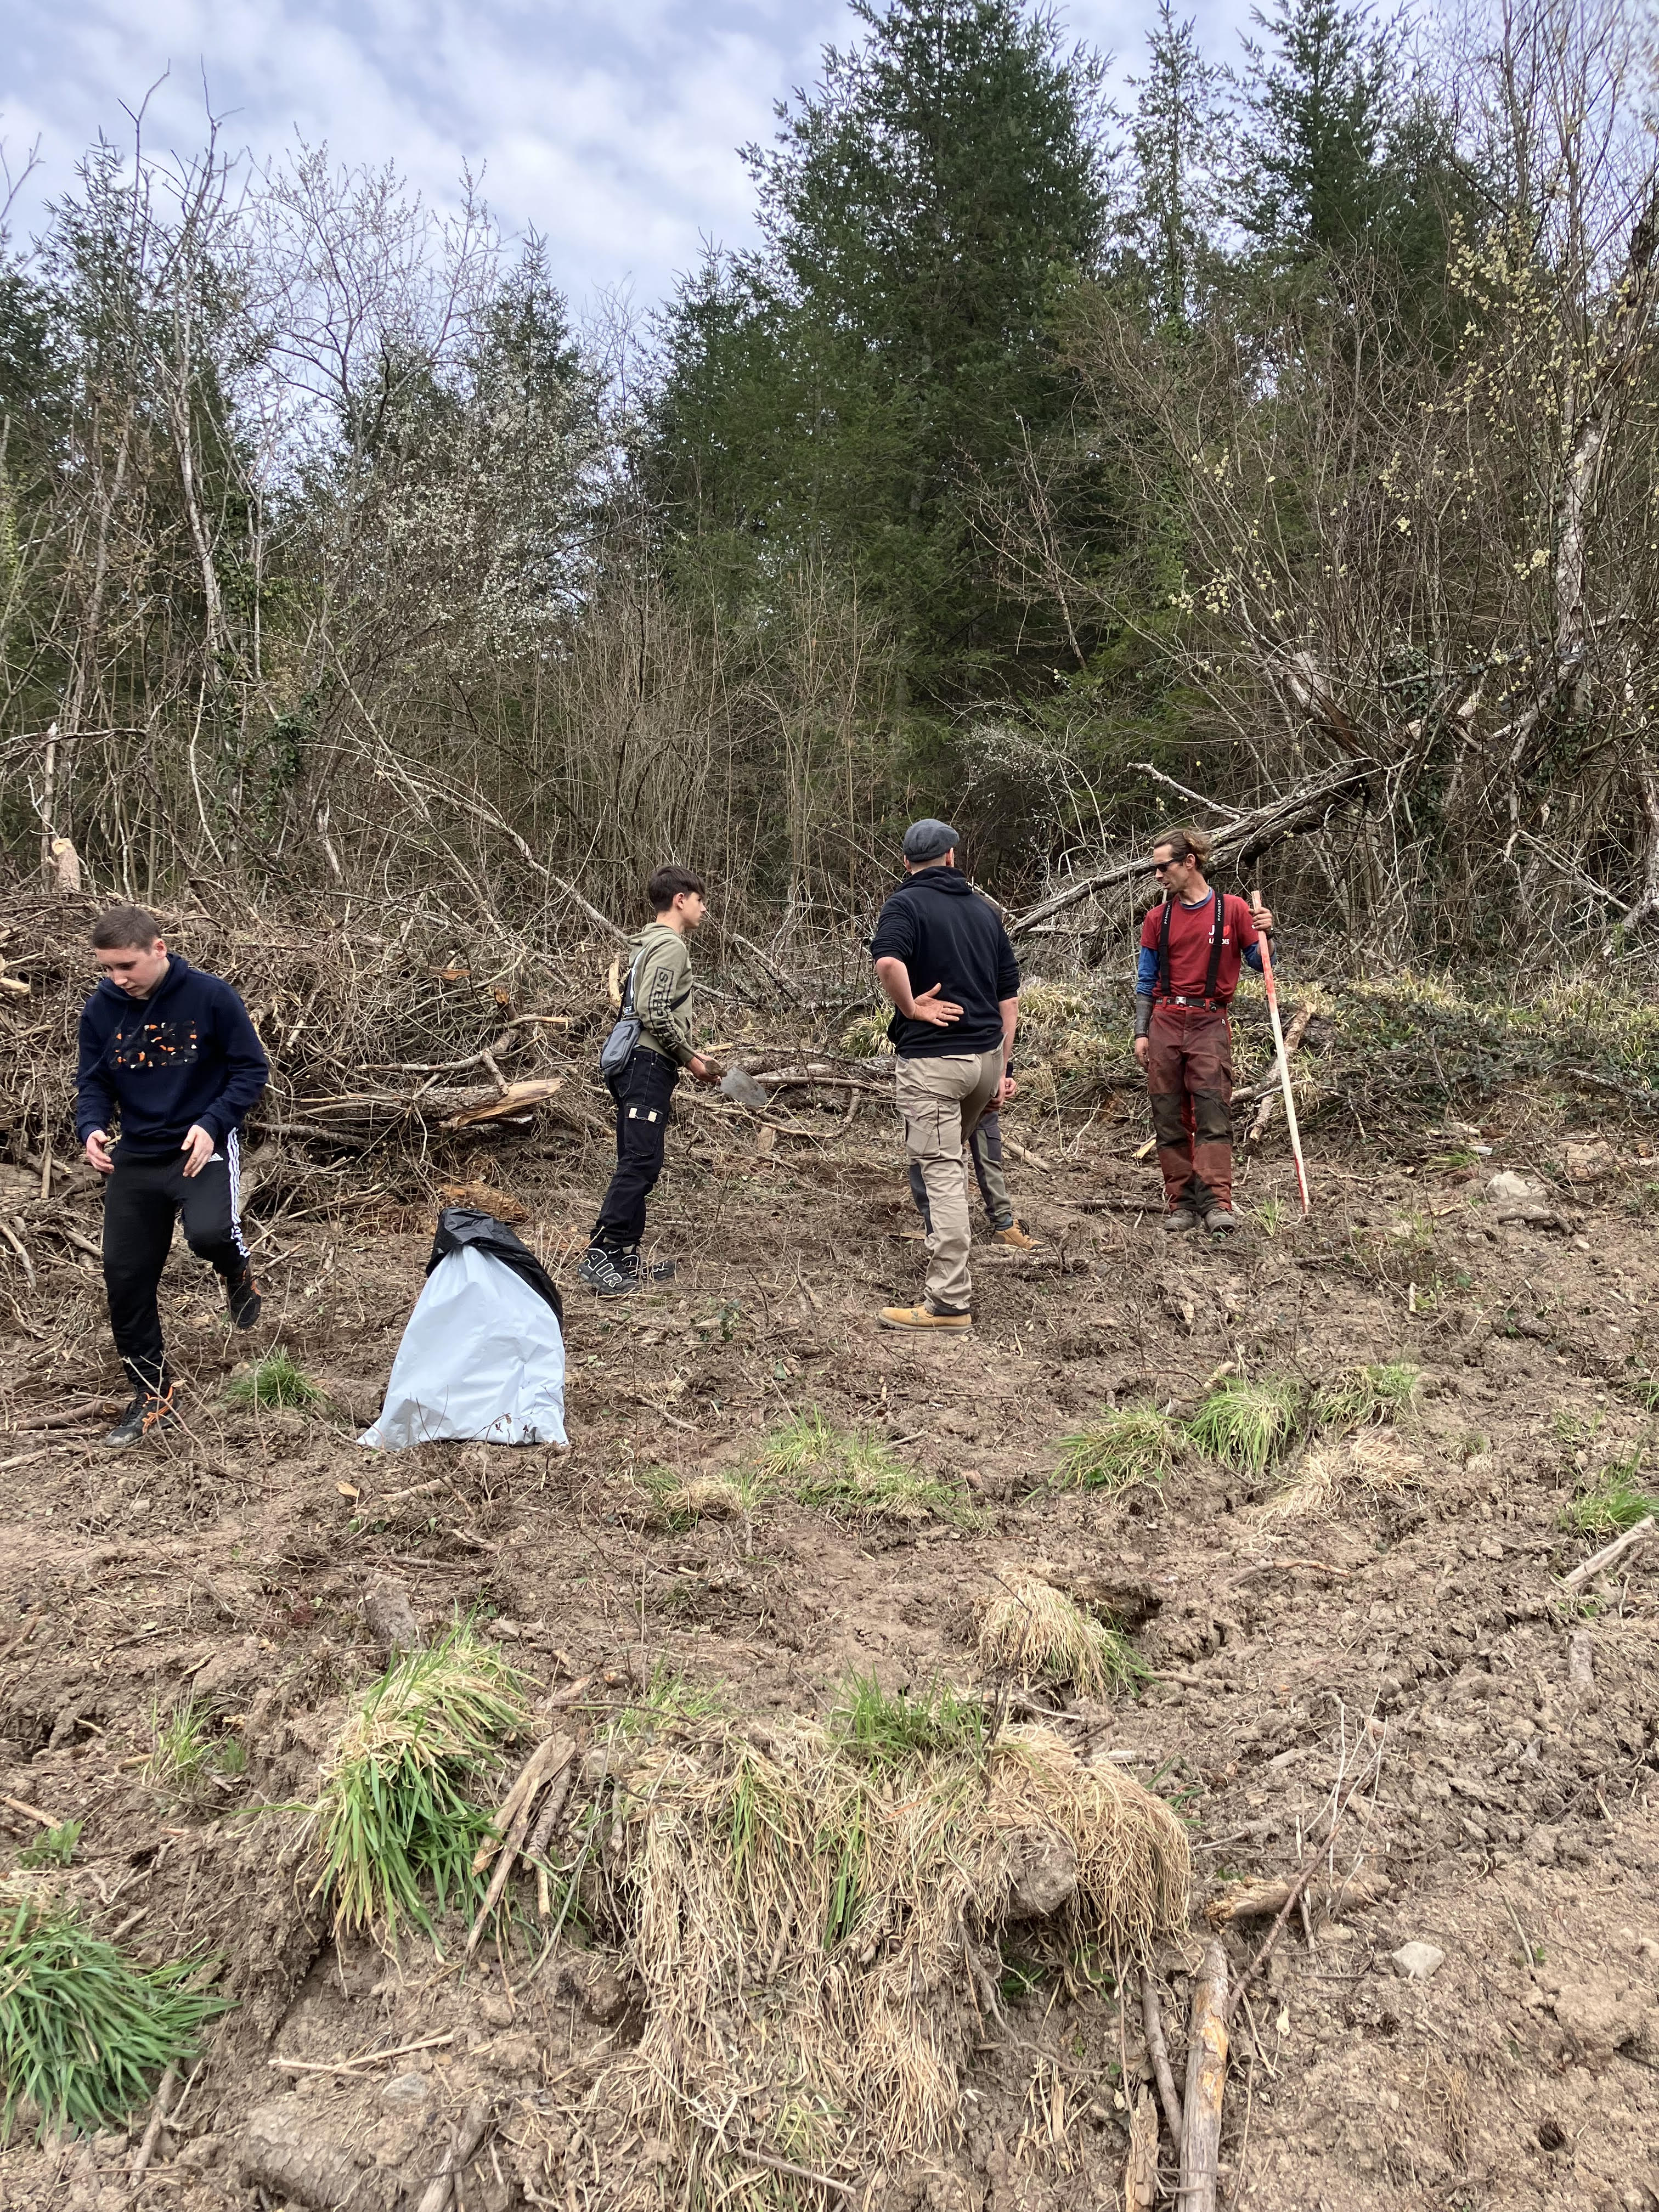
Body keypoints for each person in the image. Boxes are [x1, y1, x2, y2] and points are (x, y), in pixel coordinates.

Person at [75, 907, 270, 1447]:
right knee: (125, 1275)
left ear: (158, 949)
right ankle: (153, 1391)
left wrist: (214, 1124)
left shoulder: (210, 996)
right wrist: (91, 1127)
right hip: (137, 1155)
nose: (118, 978)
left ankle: (236, 1270)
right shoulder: (101, 1008)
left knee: (208, 1235)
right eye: (108, 968)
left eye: (126, 966)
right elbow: (92, 1082)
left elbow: (250, 1069)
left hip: (198, 1143)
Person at [870, 819, 1020, 1331]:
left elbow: (888, 963)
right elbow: (1009, 997)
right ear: (952, 858)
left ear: (907, 862)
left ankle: (950, 1302)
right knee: (939, 1160)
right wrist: (1003, 1066)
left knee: (941, 1170)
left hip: (935, 1063)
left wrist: (911, 1008)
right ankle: (942, 1247)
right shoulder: (985, 912)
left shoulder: (904, 906)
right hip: (984, 1061)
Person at [579, 865, 718, 1296]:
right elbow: (654, 1009)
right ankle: (602, 1254)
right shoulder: (670, 946)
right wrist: (691, 1057)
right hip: (647, 1063)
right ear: (680, 900)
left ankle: (624, 1255)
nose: (704, 908)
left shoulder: (646, 947)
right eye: (699, 900)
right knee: (640, 1161)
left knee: (642, 1159)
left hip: (636, 1063)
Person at [1133, 827, 1273, 1234]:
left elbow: (1261, 963)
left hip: (1211, 1022)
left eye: (1163, 867)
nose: (1158, 876)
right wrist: (1142, 1033)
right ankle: (1182, 1204)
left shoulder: (1234, 911)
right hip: (1165, 1022)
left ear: (1189, 862)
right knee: (1168, 1115)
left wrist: (1268, 932)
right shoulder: (1156, 919)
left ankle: (1217, 1204)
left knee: (1213, 1113)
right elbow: (1146, 982)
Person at [908, 1065, 1039, 1249]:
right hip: (952, 1070)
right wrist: (1001, 1073)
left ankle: (996, 1227)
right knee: (936, 1152)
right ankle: (948, 1232)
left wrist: (1003, 1073)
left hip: (952, 1069)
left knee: (939, 1150)